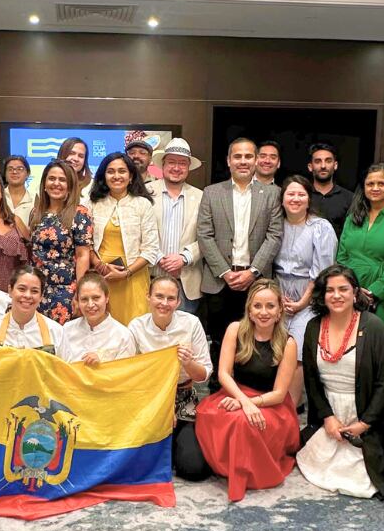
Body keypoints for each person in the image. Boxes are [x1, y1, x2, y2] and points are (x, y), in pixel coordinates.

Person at [297, 265, 384, 498]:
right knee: (312, 461)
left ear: (355, 293)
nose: (336, 295)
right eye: (330, 290)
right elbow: (311, 379)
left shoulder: (374, 326)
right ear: (322, 296)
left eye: (343, 289)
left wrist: (365, 423)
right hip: (329, 415)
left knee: (364, 477)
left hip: (366, 414)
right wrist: (328, 418)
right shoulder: (314, 327)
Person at [194, 279, 299, 502]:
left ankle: (243, 476)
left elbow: (280, 393)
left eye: (270, 306)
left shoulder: (288, 343)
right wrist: (243, 401)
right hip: (235, 392)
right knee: (212, 415)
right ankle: (225, 465)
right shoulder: (235, 329)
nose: (264, 312)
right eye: (257, 306)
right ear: (249, 310)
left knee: (244, 422)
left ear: (280, 310)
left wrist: (251, 405)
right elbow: (223, 374)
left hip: (270, 403)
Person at [198, 138, 283, 378]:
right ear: (228, 161)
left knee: (255, 338)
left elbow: (274, 236)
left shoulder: (273, 194)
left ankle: (248, 386)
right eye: (237, 156)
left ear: (256, 160)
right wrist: (225, 272)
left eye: (248, 156)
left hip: (256, 280)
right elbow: (204, 235)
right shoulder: (212, 193)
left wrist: (253, 271)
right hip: (219, 280)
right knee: (219, 337)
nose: (243, 161)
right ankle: (218, 386)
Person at [128, 276, 213, 481]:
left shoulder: (191, 324)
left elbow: (203, 376)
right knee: (136, 467)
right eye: (159, 296)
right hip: (149, 399)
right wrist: (161, 407)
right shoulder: (136, 327)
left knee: (194, 469)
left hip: (183, 398)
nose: (164, 303)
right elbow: (131, 375)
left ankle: (175, 444)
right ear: (148, 297)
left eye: (170, 298)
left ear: (178, 302)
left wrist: (188, 363)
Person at [273, 175, 337, 407]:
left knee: (297, 352)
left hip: (309, 296)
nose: (296, 199)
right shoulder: (275, 224)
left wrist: (302, 302)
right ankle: (275, 400)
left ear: (309, 199)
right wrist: (277, 297)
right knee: (275, 349)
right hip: (277, 293)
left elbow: (322, 272)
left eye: (301, 194)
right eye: (290, 194)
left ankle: (290, 407)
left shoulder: (321, 228)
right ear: (282, 199)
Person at [336, 164, 384, 339]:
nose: (375, 188)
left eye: (381, 183)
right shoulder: (353, 218)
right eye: (370, 184)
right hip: (351, 292)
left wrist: (374, 292)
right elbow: (341, 257)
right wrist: (352, 289)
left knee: (382, 345)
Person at [86, 152, 159, 325]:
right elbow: (85, 244)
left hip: (133, 277)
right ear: (104, 176)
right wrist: (100, 266)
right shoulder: (92, 204)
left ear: (131, 176)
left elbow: (151, 249)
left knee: (134, 330)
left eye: (122, 171)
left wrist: (126, 273)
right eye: (111, 171)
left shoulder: (143, 204)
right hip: (101, 277)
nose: (116, 176)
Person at [29, 159, 93, 324]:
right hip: (36, 291)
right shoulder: (36, 213)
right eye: (52, 179)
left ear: (70, 186)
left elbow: (82, 256)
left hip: (66, 291)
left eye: (62, 180)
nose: (56, 183)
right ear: (44, 183)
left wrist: (80, 293)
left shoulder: (80, 214)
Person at [146, 139, 205, 314]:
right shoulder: (145, 193)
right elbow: (137, 233)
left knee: (183, 337)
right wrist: (158, 257)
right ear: (162, 165)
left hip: (186, 282)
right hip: (150, 277)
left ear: (188, 167)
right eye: (171, 162)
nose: (176, 168)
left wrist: (185, 257)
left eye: (182, 163)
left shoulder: (202, 197)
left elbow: (208, 237)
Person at [0, 265, 63, 353]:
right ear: (10, 290)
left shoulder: (56, 332)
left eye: (34, 291)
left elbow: (68, 368)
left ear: (41, 296)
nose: (27, 295)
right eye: (22, 289)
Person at [57, 273, 135, 365]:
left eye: (96, 298)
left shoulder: (123, 336)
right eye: (84, 299)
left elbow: (125, 374)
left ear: (106, 298)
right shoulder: (67, 329)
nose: (90, 305)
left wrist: (102, 364)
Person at [307, 142, 354, 235]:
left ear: (335, 165)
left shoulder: (349, 198)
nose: (323, 166)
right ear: (310, 167)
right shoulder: (302, 195)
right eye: (318, 161)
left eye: (328, 161)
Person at [3, 155, 35, 225]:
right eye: (10, 169)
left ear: (28, 174)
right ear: (5, 174)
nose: (14, 172)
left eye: (19, 169)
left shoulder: (35, 200)